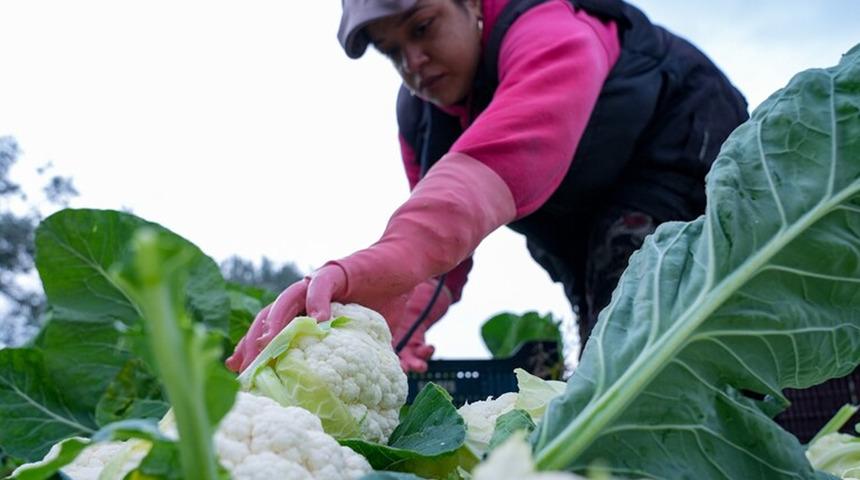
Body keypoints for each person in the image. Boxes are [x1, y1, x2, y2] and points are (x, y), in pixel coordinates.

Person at [226, 0, 749, 374]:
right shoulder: (421, 115)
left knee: (646, 336)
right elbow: (440, 254)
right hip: (582, 225)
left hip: (686, 154)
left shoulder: (550, 28)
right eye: (392, 51)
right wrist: (386, 331)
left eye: (423, 27)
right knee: (603, 334)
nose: (412, 62)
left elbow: (497, 162)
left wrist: (372, 260)